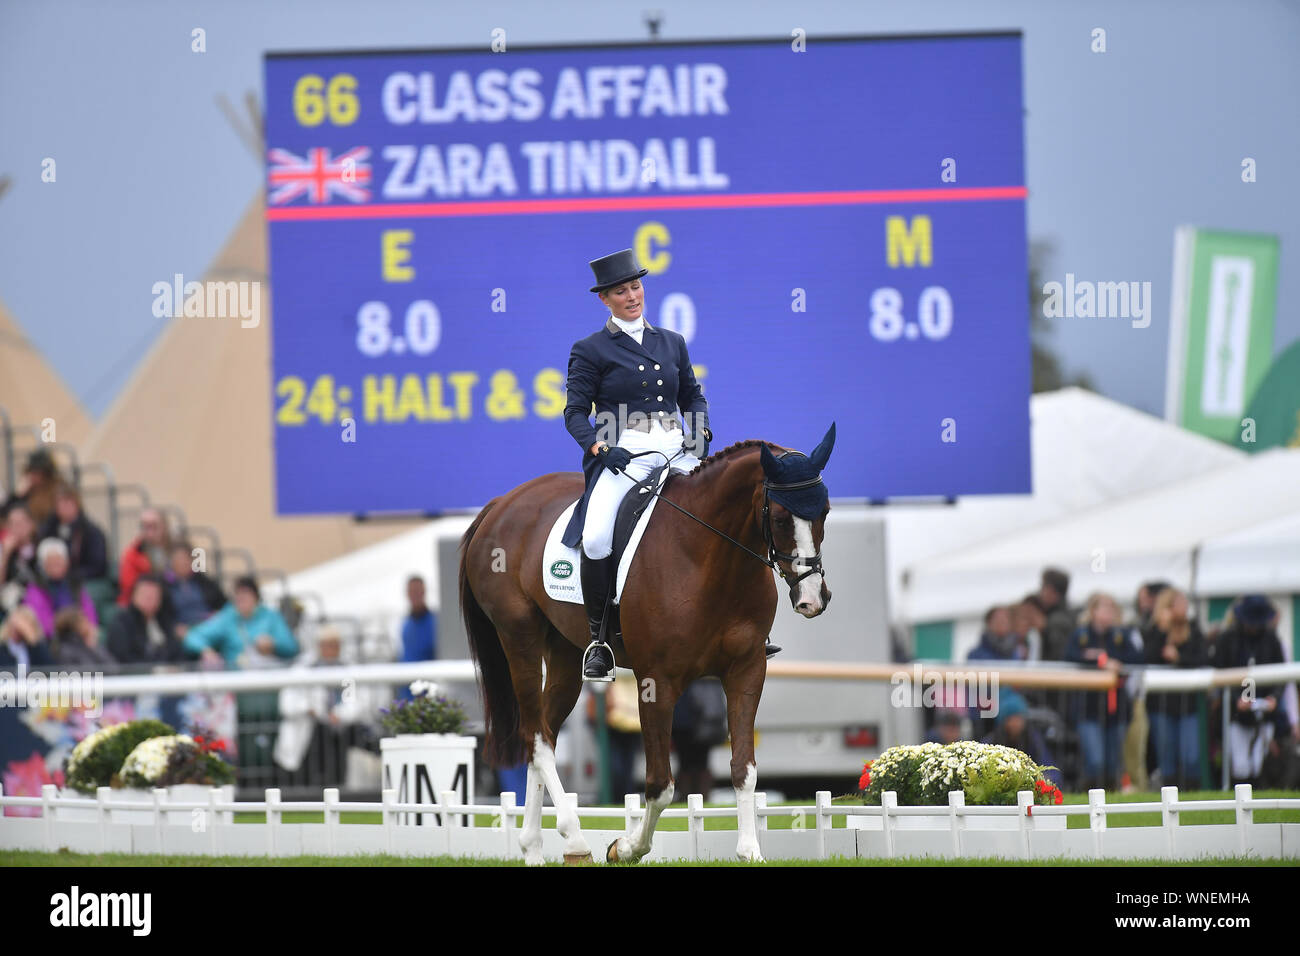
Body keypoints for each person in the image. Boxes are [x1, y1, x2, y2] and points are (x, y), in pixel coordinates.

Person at [561, 248, 711, 681]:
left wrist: (699, 430)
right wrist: (601, 449)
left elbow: (692, 395)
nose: (632, 296)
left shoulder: (671, 341)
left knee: (718, 514)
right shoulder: (590, 349)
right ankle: (600, 639)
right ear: (604, 299)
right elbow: (574, 413)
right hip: (622, 453)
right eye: (620, 291)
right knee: (595, 538)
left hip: (673, 448)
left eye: (635, 286)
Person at [1064, 592, 1143, 790]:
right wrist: (1100, 661)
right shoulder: (1080, 635)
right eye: (1103, 608)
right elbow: (1070, 656)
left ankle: (1111, 798)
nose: (1108, 614)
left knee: (1113, 762)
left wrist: (1110, 660)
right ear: (1093, 611)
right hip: (1088, 708)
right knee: (1095, 760)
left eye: (1111, 609)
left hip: (1117, 710)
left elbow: (1137, 658)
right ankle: (1091, 796)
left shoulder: (1121, 635)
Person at [1213, 595, 1289, 787]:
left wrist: (1274, 699)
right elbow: (1219, 675)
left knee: (1259, 763)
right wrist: (1234, 701)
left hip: (1264, 712)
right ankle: (1240, 805)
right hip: (1236, 715)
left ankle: (1257, 802)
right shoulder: (1228, 639)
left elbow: (1281, 676)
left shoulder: (1271, 639)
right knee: (1240, 765)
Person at [1142, 587, 1208, 790]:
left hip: (1189, 704)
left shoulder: (1194, 630)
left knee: (1191, 756)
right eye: (1179, 604)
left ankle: (1191, 796)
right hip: (1161, 705)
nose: (1184, 608)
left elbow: (1204, 658)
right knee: (1166, 755)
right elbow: (1146, 658)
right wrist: (1163, 631)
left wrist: (1179, 658)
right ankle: (1169, 796)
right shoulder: (1153, 631)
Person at [182, 575, 298, 668]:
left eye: (246, 594)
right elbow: (193, 636)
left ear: (256, 597)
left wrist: (273, 645)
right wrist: (206, 650)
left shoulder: (271, 617)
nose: (241, 598)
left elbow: (291, 647)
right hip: (235, 682)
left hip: (268, 677)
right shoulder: (227, 617)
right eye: (238, 594)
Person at [981, 690, 1062, 788]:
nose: (1016, 723)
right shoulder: (991, 743)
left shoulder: (1033, 739)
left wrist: (1043, 780)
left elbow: (1051, 770)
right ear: (1004, 721)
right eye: (1011, 718)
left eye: (1019, 718)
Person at [24, 537, 99, 638]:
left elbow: (89, 613)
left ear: (66, 563)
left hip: (80, 636)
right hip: (54, 641)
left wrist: (87, 629)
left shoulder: (75, 583)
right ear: (43, 565)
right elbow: (41, 622)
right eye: (51, 562)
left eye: (59, 561)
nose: (55, 565)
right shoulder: (35, 588)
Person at [106, 573, 186, 665]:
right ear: (134, 595)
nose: (150, 599)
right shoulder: (121, 622)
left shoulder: (163, 620)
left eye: (154, 596)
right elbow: (122, 659)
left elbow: (177, 652)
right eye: (145, 595)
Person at [37, 481, 109, 583]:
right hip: (50, 580)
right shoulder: (49, 528)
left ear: (77, 504)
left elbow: (98, 566)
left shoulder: (90, 531)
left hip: (80, 580)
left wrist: (70, 574)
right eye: (60, 502)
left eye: (68, 501)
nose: (64, 506)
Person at [162, 541, 226, 637]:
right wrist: (174, 628)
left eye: (186, 558)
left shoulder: (203, 580)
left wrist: (217, 615)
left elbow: (223, 603)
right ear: (171, 562)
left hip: (209, 627)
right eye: (178, 559)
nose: (182, 562)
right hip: (184, 631)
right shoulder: (164, 585)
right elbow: (163, 616)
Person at [116, 508, 171, 607]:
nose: (149, 533)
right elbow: (129, 587)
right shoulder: (133, 554)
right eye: (145, 527)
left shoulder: (175, 549)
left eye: (154, 527)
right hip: (141, 604)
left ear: (164, 527)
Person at [2, 449, 62, 526]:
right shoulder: (27, 492)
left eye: (38, 473)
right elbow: (4, 512)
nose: (34, 477)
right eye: (32, 472)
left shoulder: (56, 490)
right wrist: (18, 495)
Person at [0, 504, 40, 611]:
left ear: (31, 524)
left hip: (38, 604)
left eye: (22, 522)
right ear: (7, 528)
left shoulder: (41, 547)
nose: (19, 527)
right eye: (14, 524)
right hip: (11, 606)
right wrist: (5, 555)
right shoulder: (4, 551)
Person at [51, 607, 117, 669]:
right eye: (84, 621)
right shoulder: (65, 651)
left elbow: (114, 668)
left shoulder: (87, 644)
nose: (88, 624)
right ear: (76, 626)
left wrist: (93, 646)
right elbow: (88, 673)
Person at [1038, 567, 1077, 661]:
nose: (1040, 592)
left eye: (1043, 587)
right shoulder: (1065, 615)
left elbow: (1057, 656)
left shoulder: (1057, 621)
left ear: (1052, 591)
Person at [0, 605, 54, 670]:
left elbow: (50, 668)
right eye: (14, 626)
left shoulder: (35, 648)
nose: (17, 630)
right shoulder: (2, 648)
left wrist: (33, 641)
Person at [400, 575, 437, 661]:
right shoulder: (405, 625)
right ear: (407, 594)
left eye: (417, 591)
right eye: (412, 592)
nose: (415, 595)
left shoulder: (435, 624)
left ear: (424, 592)